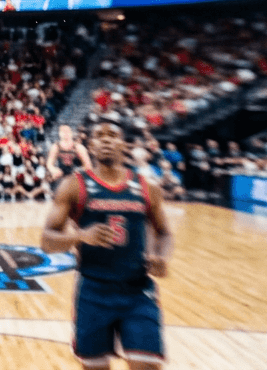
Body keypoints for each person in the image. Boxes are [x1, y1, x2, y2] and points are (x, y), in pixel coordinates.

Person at [41, 121, 173, 369]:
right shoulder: (73, 185)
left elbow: (164, 233)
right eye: (99, 136)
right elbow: (47, 240)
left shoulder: (147, 188)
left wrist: (161, 257)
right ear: (90, 145)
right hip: (93, 292)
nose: (105, 140)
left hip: (138, 292)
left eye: (112, 135)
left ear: (123, 144)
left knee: (147, 365)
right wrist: (79, 237)